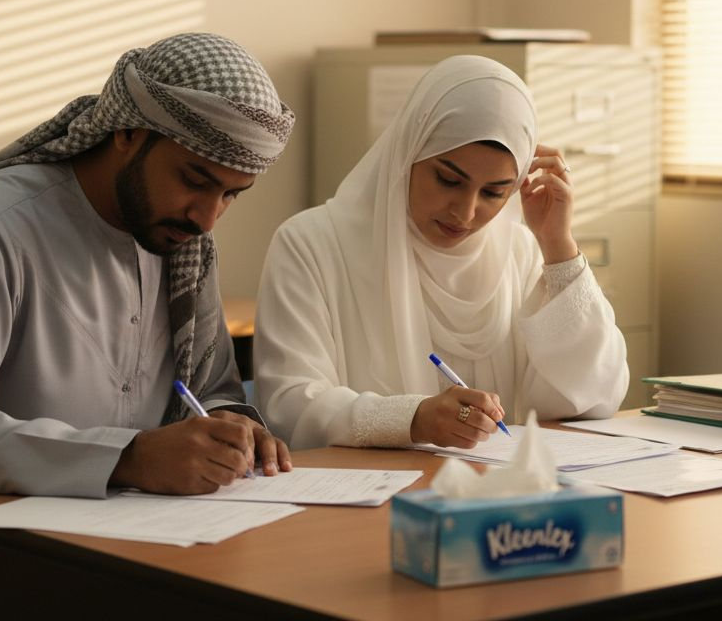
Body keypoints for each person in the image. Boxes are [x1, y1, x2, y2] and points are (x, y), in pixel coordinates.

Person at [0, 33, 296, 621]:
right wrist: (131, 457)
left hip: (131, 543)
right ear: (128, 133)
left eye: (232, 195)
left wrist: (236, 431)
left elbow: (208, 394)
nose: (208, 215)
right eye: (195, 178)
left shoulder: (182, 242)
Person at [254, 55, 628, 451]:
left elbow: (592, 397)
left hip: (491, 492)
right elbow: (289, 406)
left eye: (494, 192)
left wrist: (559, 248)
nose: (465, 213)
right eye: (448, 180)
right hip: (367, 499)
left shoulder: (519, 253)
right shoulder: (311, 245)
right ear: (408, 153)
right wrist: (412, 420)